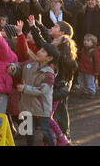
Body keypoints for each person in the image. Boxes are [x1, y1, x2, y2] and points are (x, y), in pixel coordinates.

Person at [27, 15, 77, 144]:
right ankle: (53, 139)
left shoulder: (57, 54)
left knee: (51, 115)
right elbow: (46, 39)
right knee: (50, 115)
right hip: (59, 89)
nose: (51, 43)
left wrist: (33, 28)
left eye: (56, 26)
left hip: (56, 90)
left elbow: (42, 42)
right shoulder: (64, 51)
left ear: (62, 34)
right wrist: (40, 26)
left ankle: (61, 137)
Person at [7, 42, 58, 146]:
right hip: (26, 105)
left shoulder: (48, 73)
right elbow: (19, 66)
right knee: (28, 132)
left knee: (45, 130)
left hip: (41, 108)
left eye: (43, 51)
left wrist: (25, 88)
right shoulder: (30, 63)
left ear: (49, 58)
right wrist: (12, 67)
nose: (39, 52)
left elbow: (42, 90)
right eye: (40, 49)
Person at [78, 34, 100, 99]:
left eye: (88, 40)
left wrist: (97, 71)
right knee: (82, 81)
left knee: (90, 82)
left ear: (93, 42)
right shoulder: (83, 50)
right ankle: (84, 91)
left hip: (90, 71)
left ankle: (91, 92)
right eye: (84, 40)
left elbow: (97, 62)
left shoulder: (94, 51)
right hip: (82, 69)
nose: (85, 42)